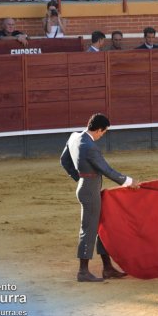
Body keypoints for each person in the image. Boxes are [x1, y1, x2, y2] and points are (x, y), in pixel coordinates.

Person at [60, 113, 140, 282]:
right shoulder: (90, 146)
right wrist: (128, 181)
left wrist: (79, 177)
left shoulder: (74, 137)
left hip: (87, 186)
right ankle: (83, 271)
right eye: (103, 132)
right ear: (98, 130)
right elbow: (106, 170)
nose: (102, 135)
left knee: (100, 225)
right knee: (89, 229)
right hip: (90, 190)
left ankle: (108, 267)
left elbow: (64, 160)